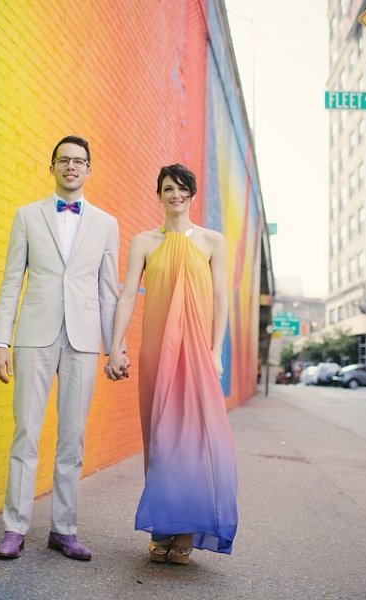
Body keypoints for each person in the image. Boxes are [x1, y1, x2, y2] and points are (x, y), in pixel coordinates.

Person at [0, 135, 120, 561]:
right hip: (35, 336)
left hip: (83, 340)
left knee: (72, 439)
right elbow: (12, 281)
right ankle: (15, 527)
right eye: (63, 160)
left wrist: (114, 347)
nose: (71, 166)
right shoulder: (27, 216)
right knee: (26, 431)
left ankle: (64, 530)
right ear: (52, 167)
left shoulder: (106, 223)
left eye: (79, 160)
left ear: (88, 169)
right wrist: (0, 340)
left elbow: (107, 290)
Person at [105, 164, 238, 565]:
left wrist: (216, 352)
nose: (175, 194)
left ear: (192, 195)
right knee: (161, 438)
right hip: (156, 351)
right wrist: (115, 345)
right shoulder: (144, 242)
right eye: (167, 189)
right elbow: (127, 295)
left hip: (197, 352)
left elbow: (220, 301)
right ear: (159, 195)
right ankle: (163, 527)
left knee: (195, 441)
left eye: (182, 188)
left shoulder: (213, 242)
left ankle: (185, 532)